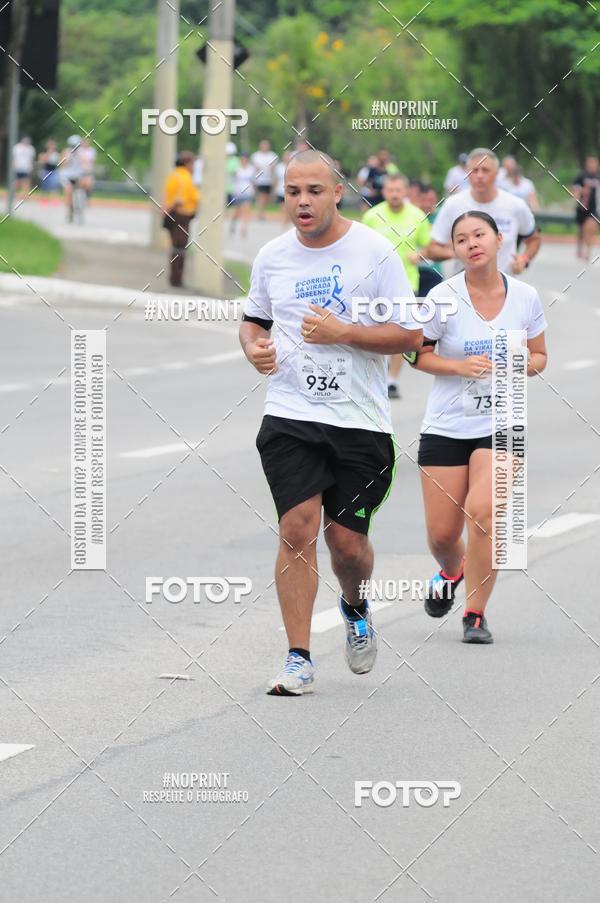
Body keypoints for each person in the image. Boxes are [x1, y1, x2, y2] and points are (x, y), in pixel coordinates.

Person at [239, 149, 422, 695]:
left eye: (314, 191)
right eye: (293, 191)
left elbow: (411, 337)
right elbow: (252, 322)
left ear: (337, 191)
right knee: (296, 527)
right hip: (291, 414)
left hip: (360, 422)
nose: (302, 201)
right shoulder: (272, 256)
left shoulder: (375, 252)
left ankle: (355, 603)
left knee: (346, 546)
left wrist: (345, 332)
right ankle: (298, 658)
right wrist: (254, 349)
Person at [410, 211, 547, 643]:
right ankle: (453, 570)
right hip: (447, 425)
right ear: (454, 250)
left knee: (484, 514)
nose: (472, 243)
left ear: (499, 239)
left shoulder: (525, 296)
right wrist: (457, 366)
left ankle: (474, 613)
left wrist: (520, 362)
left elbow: (541, 356)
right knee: (443, 535)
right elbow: (417, 355)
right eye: (462, 238)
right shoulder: (443, 297)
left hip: (502, 422)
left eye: (479, 234)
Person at [362, 173, 432, 399]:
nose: (394, 195)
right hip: (374, 284)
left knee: (400, 333)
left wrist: (419, 255)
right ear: (384, 192)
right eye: (390, 190)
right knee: (373, 332)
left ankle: (391, 381)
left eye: (398, 191)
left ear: (406, 192)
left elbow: (430, 248)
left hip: (406, 284)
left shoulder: (418, 216)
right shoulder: (372, 216)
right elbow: (359, 248)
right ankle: (374, 376)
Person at [427, 147, 541, 276]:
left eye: (485, 170)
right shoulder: (453, 204)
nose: (479, 176)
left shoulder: (515, 205)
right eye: (474, 171)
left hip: (504, 289)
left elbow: (534, 239)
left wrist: (524, 259)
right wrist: (460, 251)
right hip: (464, 289)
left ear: (497, 173)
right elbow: (432, 249)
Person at [162, 150, 200, 287]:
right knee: (180, 248)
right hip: (181, 216)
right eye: (192, 163)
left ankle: (175, 277)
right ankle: (176, 279)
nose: (194, 166)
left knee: (176, 247)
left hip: (174, 215)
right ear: (187, 163)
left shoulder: (174, 175)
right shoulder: (185, 178)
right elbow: (183, 199)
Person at [415, 183, 444, 297]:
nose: (427, 204)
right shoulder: (412, 216)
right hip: (413, 271)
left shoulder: (441, 216)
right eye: (424, 200)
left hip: (434, 271)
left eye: (431, 200)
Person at [572, 155, 600, 261]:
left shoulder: (598, 176)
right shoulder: (581, 176)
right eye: (590, 163)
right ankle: (579, 248)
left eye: (594, 163)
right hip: (582, 207)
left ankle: (588, 251)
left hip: (594, 208)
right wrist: (580, 191)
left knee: (589, 228)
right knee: (581, 230)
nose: (592, 165)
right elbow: (574, 189)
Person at [59, 135, 85, 221]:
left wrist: (79, 156)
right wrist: (70, 157)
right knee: (68, 190)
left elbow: (84, 165)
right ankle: (69, 209)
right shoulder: (66, 152)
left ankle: (80, 207)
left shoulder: (81, 153)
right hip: (66, 176)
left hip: (77, 176)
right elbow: (63, 164)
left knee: (82, 187)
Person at [230, 153, 256, 238]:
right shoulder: (237, 169)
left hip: (248, 192)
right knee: (237, 211)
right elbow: (233, 181)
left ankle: (243, 228)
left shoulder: (251, 169)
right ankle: (233, 223)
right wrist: (234, 191)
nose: (244, 160)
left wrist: (253, 191)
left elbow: (253, 181)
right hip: (238, 192)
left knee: (246, 210)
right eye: (242, 159)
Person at [251, 139, 278, 219]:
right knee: (262, 196)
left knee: (266, 197)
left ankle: (261, 211)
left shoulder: (272, 155)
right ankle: (260, 213)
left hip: (268, 180)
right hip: (260, 180)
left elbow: (273, 169)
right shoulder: (256, 156)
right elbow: (256, 168)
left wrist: (274, 180)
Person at [274, 150, 292, 227]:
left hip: (290, 190)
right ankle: (284, 221)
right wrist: (274, 189)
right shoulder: (279, 167)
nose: (286, 158)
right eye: (285, 156)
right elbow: (276, 179)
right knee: (283, 206)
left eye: (288, 156)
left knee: (289, 207)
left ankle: (286, 220)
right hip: (280, 190)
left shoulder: (292, 166)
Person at [225, 141, 239, 207]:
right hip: (224, 186)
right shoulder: (222, 160)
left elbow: (235, 172)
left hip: (232, 186)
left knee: (232, 204)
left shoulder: (236, 160)